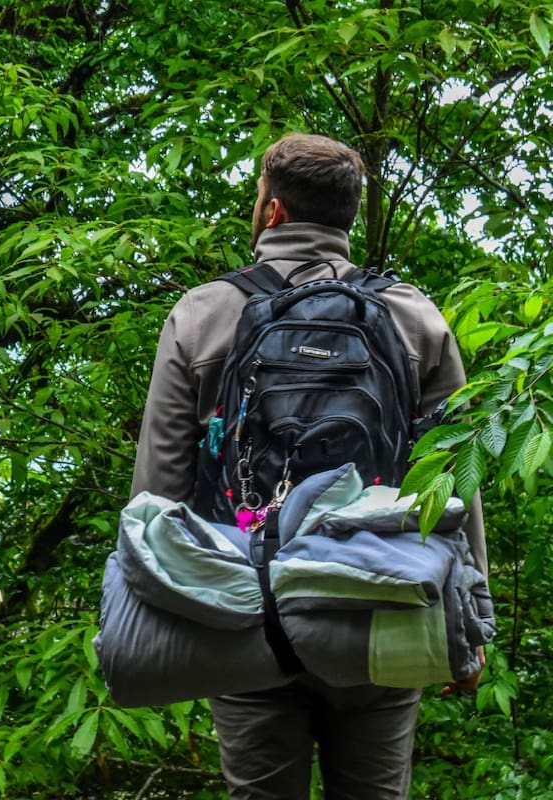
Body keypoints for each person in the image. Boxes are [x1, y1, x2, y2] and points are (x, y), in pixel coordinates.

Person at [129, 133, 487, 799]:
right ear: (348, 217)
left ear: (272, 212)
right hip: (384, 607)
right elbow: (455, 481)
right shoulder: (415, 318)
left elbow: (159, 489)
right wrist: (472, 620)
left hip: (243, 608)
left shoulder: (203, 315)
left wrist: (151, 626)